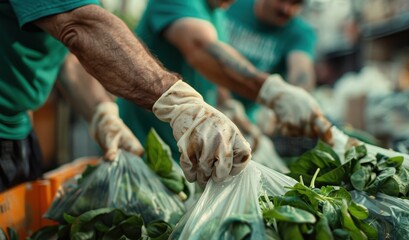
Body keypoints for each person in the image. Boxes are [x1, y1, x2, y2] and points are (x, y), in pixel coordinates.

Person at [0, 0, 252, 188]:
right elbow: (80, 27)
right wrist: (181, 105)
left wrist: (103, 116)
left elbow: (67, 57)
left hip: (18, 132)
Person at [118, 0, 331, 167]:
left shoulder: (217, 12)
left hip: (186, 149)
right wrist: (272, 91)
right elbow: (200, 48)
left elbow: (213, 75)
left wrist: (234, 113)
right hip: (143, 140)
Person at [223, 0, 316, 124]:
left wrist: (294, 100)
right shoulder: (231, 5)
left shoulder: (299, 32)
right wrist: (224, 100)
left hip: (248, 116)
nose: (287, 9)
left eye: (296, 4)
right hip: (202, 98)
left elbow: (301, 72)